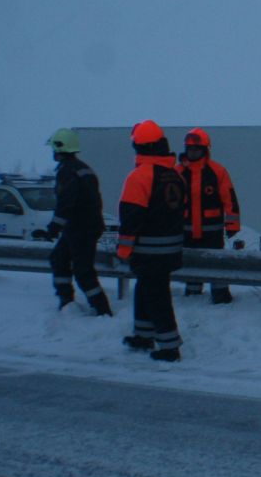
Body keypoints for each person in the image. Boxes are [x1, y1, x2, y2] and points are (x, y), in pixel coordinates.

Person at [117, 120, 186, 362]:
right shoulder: (175, 174)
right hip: (171, 248)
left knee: (156, 295)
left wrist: (123, 251)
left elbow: (130, 218)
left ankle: (170, 346)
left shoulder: (140, 176)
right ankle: (143, 335)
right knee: (146, 289)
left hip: (149, 250)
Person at [43, 128, 113, 317]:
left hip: (79, 228)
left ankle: (102, 310)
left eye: (54, 148)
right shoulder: (83, 168)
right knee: (59, 259)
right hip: (83, 227)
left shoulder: (68, 171)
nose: (52, 152)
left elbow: (66, 202)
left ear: (60, 148)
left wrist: (53, 227)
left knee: (83, 271)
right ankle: (66, 302)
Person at [176, 127, 241, 304]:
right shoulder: (178, 172)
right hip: (187, 230)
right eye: (189, 148)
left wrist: (232, 225)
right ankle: (193, 294)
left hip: (212, 231)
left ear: (205, 150)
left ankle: (221, 295)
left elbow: (230, 200)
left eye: (196, 149)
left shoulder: (217, 171)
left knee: (216, 263)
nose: (192, 152)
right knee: (192, 263)